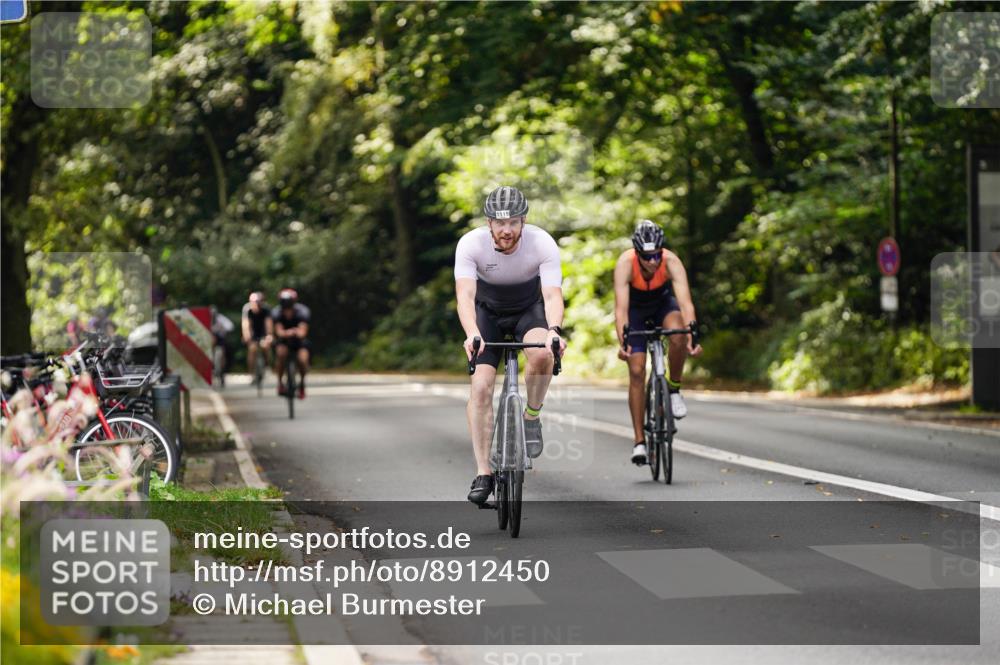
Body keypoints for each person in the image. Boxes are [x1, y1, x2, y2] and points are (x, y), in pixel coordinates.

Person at [455, 185, 565, 505]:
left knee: (543, 352)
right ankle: (483, 472)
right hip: (486, 316)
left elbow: (552, 295)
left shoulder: (541, 242)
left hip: (528, 313)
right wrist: (472, 331)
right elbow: (464, 295)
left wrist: (554, 330)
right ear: (488, 222)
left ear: (523, 221)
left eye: (514, 222)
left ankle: (531, 417)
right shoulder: (470, 244)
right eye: (500, 223)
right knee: (481, 387)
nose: (507, 230)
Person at [613, 220, 702, 466]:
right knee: (637, 370)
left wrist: (693, 335)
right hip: (636, 312)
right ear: (637, 252)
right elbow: (620, 309)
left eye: (656, 255)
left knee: (678, 334)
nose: (653, 261)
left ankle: (673, 388)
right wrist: (624, 342)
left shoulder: (671, 262)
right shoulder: (625, 264)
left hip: (663, 305)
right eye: (647, 256)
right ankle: (639, 441)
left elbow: (686, 304)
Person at [272, 288, 310, 399]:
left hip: (299, 342)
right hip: (283, 342)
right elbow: (279, 332)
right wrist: (290, 332)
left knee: (303, 360)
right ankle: (280, 383)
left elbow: (303, 332)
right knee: (281, 354)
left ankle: (302, 384)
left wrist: (293, 333)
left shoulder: (302, 312)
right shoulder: (276, 313)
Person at [241, 291, 273, 379]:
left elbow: (268, 324)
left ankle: (267, 366)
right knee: (252, 349)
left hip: (263, 331)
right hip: (253, 331)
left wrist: (269, 335)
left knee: (265, 346)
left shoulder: (266, 309)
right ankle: (251, 373)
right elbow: (246, 325)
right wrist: (247, 336)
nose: (256, 305)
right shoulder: (247, 309)